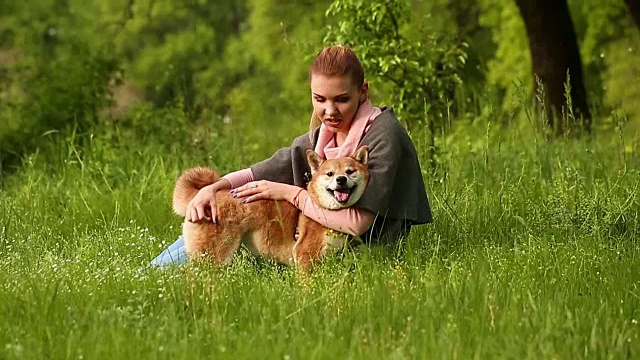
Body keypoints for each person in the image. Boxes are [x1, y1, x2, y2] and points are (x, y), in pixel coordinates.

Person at [151, 45, 432, 267]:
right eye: (319, 99)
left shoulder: (384, 134)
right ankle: (150, 273)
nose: (329, 110)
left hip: (367, 248)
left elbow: (357, 223)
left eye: (341, 99)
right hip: (314, 239)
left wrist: (291, 194)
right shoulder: (321, 137)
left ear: (362, 92)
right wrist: (212, 189)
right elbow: (261, 172)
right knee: (214, 223)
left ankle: (155, 273)